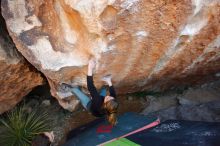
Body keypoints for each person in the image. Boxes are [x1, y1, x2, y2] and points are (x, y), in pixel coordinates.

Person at [62, 59, 119, 126]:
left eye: (107, 98)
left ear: (105, 103)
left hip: (90, 105)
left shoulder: (98, 101)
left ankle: (69, 88)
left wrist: (90, 68)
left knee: (76, 90)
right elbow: (113, 94)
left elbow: (91, 87)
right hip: (98, 108)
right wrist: (109, 81)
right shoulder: (113, 104)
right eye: (110, 97)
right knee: (103, 89)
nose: (108, 96)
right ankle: (94, 97)